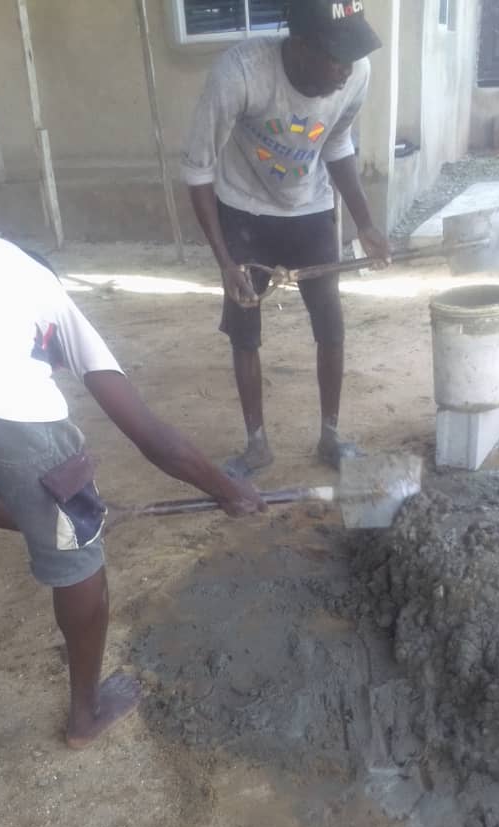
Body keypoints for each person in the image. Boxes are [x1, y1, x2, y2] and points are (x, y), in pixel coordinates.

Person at [0, 231, 264, 785]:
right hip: (6, 399)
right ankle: (85, 714)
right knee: (79, 560)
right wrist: (227, 490)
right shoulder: (43, 286)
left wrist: (39, 519)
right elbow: (149, 434)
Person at [182, 0, 390, 478]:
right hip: (243, 210)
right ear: (299, 45)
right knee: (244, 331)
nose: (345, 68)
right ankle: (256, 445)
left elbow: (337, 142)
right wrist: (225, 263)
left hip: (310, 209)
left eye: (352, 53)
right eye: (335, 56)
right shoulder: (240, 74)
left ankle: (330, 437)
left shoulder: (356, 74)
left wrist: (365, 224)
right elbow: (198, 170)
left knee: (331, 324)